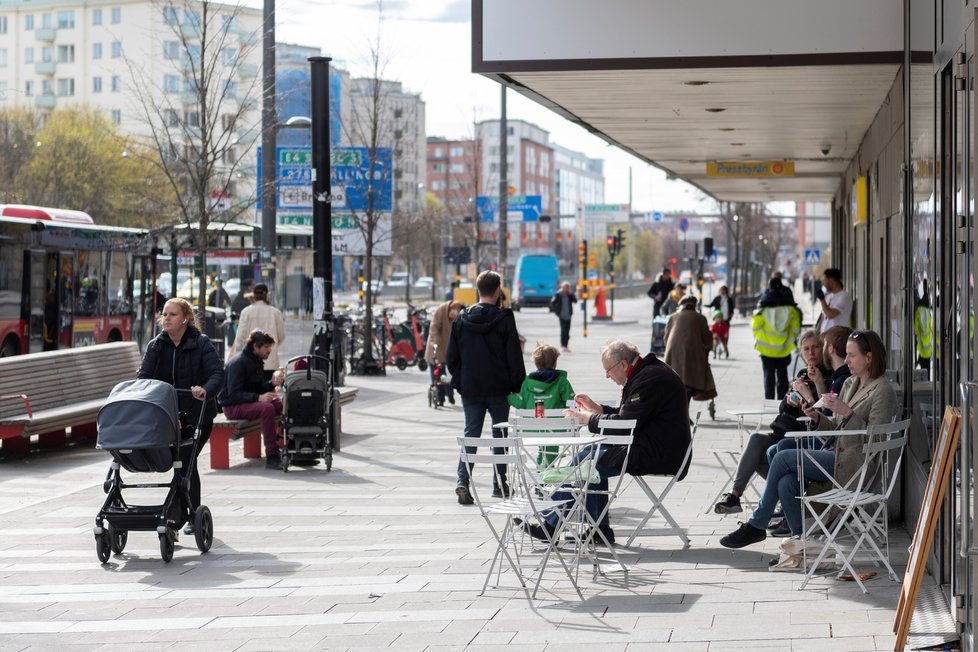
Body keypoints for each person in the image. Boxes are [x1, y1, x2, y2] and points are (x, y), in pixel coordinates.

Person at [721, 329, 897, 548]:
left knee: (783, 457)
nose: (847, 359)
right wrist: (816, 417)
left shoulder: (883, 390)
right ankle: (802, 544)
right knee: (786, 481)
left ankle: (757, 524)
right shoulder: (851, 383)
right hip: (837, 452)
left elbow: (875, 438)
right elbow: (836, 428)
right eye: (847, 354)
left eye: (852, 355)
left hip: (856, 465)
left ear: (869, 357)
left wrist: (847, 412)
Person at [521, 340, 691, 545]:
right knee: (590, 455)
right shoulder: (646, 373)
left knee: (588, 461)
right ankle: (597, 530)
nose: (607, 376)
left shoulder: (649, 379)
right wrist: (597, 409)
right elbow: (629, 415)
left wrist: (587, 419)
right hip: (654, 445)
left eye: (608, 370)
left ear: (623, 365)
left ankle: (554, 524)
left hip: (658, 452)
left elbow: (626, 423)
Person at [713, 330, 833, 518]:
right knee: (756, 439)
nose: (811, 353)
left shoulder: (828, 374)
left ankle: (782, 501)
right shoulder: (802, 374)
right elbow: (782, 408)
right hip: (783, 431)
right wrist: (789, 400)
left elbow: (824, 413)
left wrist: (811, 392)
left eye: (816, 347)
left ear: (824, 349)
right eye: (806, 349)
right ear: (801, 353)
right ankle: (734, 496)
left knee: (767, 453)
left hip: (802, 437)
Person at [137, 298, 224, 534]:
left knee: (186, 461)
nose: (166, 318)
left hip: (197, 416)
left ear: (185, 318)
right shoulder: (156, 345)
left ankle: (182, 516)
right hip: (167, 416)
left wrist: (205, 389)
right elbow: (143, 377)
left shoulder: (201, 343)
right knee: (180, 464)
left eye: (172, 315)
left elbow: (217, 373)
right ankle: (185, 513)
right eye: (164, 314)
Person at [446, 270, 526, 505]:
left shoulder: (461, 319)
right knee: (499, 434)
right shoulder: (504, 319)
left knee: (471, 433)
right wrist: (517, 384)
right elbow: (513, 355)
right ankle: (500, 485)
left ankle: (462, 481)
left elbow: (452, 357)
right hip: (499, 388)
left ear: (477, 291)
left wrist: (460, 381)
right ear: (498, 291)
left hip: (471, 388)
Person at [219, 330, 286, 469]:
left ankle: (284, 443)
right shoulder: (239, 362)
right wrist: (259, 398)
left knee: (279, 404)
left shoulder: (256, 361)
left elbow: (257, 388)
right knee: (267, 408)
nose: (269, 350)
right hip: (232, 407)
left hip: (246, 403)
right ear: (255, 347)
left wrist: (271, 384)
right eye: (266, 347)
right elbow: (234, 395)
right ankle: (272, 456)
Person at [508, 343, 575, 466]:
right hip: (556, 428)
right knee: (550, 441)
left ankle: (541, 470)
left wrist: (508, 395)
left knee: (543, 440)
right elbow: (571, 402)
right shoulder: (561, 381)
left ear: (536, 363)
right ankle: (548, 470)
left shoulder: (528, 382)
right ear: (554, 363)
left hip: (533, 427)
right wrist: (573, 414)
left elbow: (520, 402)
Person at [752, 276, 801, 400]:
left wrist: (760, 338)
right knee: (782, 374)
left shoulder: (762, 309)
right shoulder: (791, 309)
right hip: (784, 348)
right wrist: (791, 340)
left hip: (765, 349)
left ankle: (769, 399)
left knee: (768, 375)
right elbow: (796, 329)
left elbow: (756, 327)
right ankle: (782, 400)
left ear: (769, 287)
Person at [664, 295, 716, 404]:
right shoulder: (700, 318)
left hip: (672, 353)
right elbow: (707, 339)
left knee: (677, 381)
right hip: (692, 353)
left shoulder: (673, 317)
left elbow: (666, 338)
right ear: (695, 305)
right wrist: (707, 348)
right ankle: (684, 414)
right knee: (689, 382)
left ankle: (680, 412)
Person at [229, 283, 285, 380]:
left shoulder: (246, 312)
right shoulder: (276, 313)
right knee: (268, 392)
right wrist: (269, 347)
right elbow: (281, 336)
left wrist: (238, 355)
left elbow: (240, 338)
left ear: (253, 296)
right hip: (270, 363)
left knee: (251, 392)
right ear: (267, 295)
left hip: (249, 362)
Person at [424, 300, 464, 406]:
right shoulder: (440, 311)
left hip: (448, 348)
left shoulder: (459, 316)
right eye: (452, 315)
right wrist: (435, 343)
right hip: (436, 347)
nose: (453, 318)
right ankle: (440, 398)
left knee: (447, 376)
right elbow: (434, 329)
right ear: (450, 309)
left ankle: (450, 394)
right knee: (437, 373)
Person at [816, 267, 852, 333]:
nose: (823, 283)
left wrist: (822, 300)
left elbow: (830, 314)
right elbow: (823, 317)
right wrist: (817, 332)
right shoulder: (828, 296)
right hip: (825, 336)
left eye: (825, 280)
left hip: (838, 336)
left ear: (832, 280)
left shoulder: (844, 297)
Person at [550, 282, 578, 352]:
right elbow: (552, 303)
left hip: (568, 315)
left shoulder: (569, 295)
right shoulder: (558, 294)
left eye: (568, 288)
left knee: (567, 331)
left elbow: (575, 301)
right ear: (562, 288)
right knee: (563, 330)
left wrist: (571, 294)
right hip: (561, 315)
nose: (567, 289)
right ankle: (563, 346)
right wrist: (557, 311)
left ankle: (566, 345)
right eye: (565, 287)